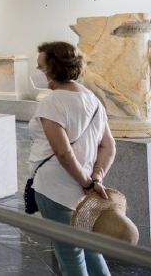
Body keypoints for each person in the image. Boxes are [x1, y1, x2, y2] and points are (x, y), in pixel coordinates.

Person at [28, 41, 116, 276]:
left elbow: (63, 152)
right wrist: (95, 177)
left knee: (70, 255)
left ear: (53, 68)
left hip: (56, 187)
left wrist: (86, 181)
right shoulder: (93, 100)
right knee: (90, 249)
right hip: (85, 189)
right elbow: (109, 146)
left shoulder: (52, 102)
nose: (38, 72)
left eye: (41, 67)